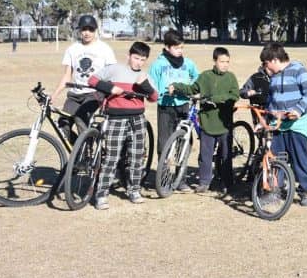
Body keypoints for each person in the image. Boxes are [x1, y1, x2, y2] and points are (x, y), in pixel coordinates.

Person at [86, 41, 159, 210]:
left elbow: (154, 98)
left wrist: (145, 86)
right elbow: (92, 80)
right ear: (129, 55)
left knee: (136, 156)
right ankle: (101, 195)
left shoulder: (145, 75)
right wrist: (110, 88)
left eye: (142, 59)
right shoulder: (114, 69)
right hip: (116, 119)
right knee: (112, 157)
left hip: (138, 119)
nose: (138, 62)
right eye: (136, 58)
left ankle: (134, 190)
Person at [169, 47, 240, 195]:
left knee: (226, 156)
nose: (225, 65)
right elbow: (192, 89)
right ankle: (204, 182)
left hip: (224, 124)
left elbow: (234, 95)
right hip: (207, 122)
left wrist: (217, 99)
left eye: (227, 62)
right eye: (222, 61)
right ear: (215, 61)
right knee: (205, 155)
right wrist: (176, 86)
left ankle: (227, 182)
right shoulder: (205, 76)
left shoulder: (231, 77)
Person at [260, 42, 307, 207]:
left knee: (300, 158)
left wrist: (298, 110)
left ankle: (305, 191)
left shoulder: (299, 70)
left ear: (275, 59)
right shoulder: (274, 76)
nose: (266, 68)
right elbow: (271, 99)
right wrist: (264, 119)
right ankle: (275, 191)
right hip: (278, 124)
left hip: (297, 124)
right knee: (276, 158)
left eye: (267, 63)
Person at [149, 30, 200, 192]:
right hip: (165, 106)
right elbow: (151, 84)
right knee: (164, 142)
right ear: (167, 47)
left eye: (182, 47)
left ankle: (181, 180)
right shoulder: (158, 64)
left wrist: (192, 91)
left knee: (184, 142)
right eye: (176, 48)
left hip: (184, 105)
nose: (180, 51)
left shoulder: (188, 63)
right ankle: (163, 178)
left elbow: (196, 79)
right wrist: (158, 94)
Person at [55, 14, 117, 136]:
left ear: (95, 31)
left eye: (90, 29)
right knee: (62, 124)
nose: (87, 33)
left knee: (80, 117)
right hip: (75, 94)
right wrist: (54, 95)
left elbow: (112, 75)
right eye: (84, 29)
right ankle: (77, 152)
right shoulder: (72, 49)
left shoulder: (104, 49)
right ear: (79, 30)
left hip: (94, 93)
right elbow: (67, 76)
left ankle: (86, 151)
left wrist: (109, 97)